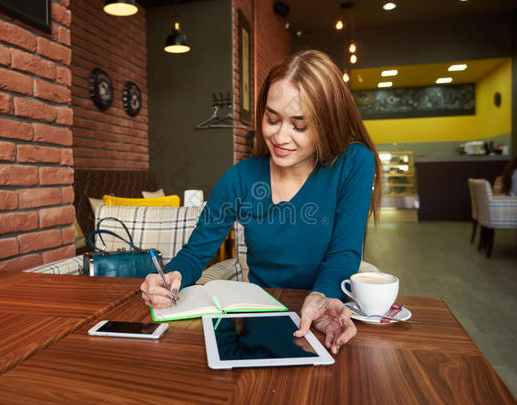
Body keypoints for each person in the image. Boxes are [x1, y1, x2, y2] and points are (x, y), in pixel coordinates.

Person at [141, 50, 383, 355]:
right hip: (260, 319)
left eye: (299, 125)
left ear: (328, 124)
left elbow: (345, 252)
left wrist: (321, 296)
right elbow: (195, 253)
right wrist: (170, 277)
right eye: (272, 119)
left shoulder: (354, 162)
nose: (280, 136)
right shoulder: (240, 178)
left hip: (327, 319)